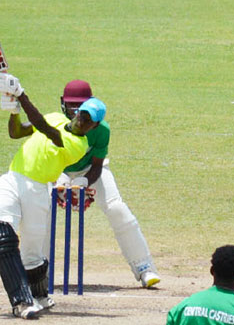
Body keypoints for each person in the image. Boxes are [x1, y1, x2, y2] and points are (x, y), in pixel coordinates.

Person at [0, 71, 99, 319]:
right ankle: (22, 301)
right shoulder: (55, 116)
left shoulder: (78, 145)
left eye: (89, 120)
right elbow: (16, 133)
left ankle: (39, 296)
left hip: (38, 191)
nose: (82, 120)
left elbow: (45, 129)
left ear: (94, 126)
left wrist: (22, 94)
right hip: (12, 178)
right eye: (82, 113)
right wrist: (14, 110)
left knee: (32, 256)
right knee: (0, 236)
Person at [41, 79, 161, 288]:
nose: (76, 111)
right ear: (63, 103)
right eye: (71, 105)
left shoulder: (100, 128)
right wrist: (58, 180)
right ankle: (39, 272)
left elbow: (97, 165)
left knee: (117, 208)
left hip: (89, 170)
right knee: (43, 211)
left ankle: (144, 268)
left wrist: (84, 181)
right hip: (56, 169)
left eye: (80, 105)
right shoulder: (55, 123)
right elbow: (45, 157)